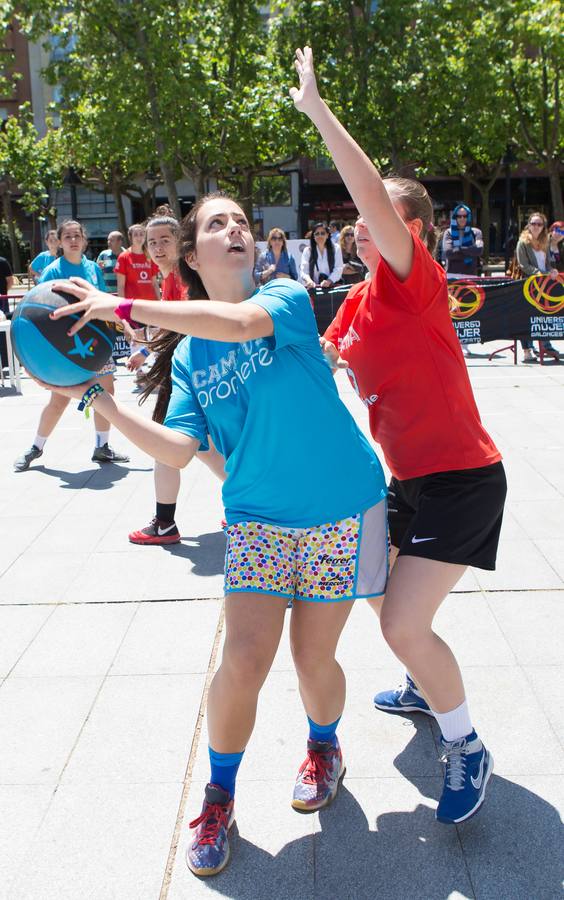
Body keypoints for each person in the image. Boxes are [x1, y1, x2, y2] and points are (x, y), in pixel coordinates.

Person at [44, 190, 388, 877]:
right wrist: (95, 398)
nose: (235, 229)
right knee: (244, 660)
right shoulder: (195, 357)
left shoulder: (285, 295)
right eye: (217, 223)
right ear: (195, 257)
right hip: (259, 518)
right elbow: (177, 448)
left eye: (240, 221)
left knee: (312, 662)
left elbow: (238, 324)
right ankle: (219, 794)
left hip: (340, 509)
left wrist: (122, 307)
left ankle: (325, 746)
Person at [292, 46, 506, 826]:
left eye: (372, 213)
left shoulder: (417, 278)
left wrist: (317, 110)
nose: (357, 223)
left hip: (463, 475)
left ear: (406, 225)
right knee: (380, 587)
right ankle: (425, 682)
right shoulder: (359, 301)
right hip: (407, 478)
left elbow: (369, 196)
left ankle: (469, 746)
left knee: (399, 623)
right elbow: (319, 360)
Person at [129, 210, 226, 545]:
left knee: (167, 445)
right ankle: (249, 504)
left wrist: (145, 352)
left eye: (164, 241)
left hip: (186, 372)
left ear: (180, 243)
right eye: (151, 242)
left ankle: (165, 523)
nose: (157, 247)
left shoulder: (182, 278)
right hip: (188, 369)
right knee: (202, 445)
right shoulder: (171, 277)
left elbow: (180, 326)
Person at [13, 220, 130, 471]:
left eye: (77, 236)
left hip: (95, 341)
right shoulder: (53, 271)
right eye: (68, 236)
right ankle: (36, 447)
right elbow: (38, 308)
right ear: (60, 241)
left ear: (84, 240)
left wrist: (124, 323)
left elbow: (101, 301)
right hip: (64, 345)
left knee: (105, 395)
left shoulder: (92, 269)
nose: (73, 240)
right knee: (59, 401)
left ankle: (102, 447)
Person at [115, 223, 160, 380]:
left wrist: (161, 303)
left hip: (152, 304)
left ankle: (155, 368)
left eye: (142, 234)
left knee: (155, 336)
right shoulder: (124, 257)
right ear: (131, 237)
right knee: (137, 336)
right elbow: (120, 285)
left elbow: (155, 283)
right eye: (136, 235)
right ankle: (138, 370)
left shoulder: (150, 257)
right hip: (134, 305)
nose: (139, 237)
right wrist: (122, 307)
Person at [516, 213, 560, 363]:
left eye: (539, 224)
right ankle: (527, 350)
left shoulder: (545, 242)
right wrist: (540, 273)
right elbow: (523, 265)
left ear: (543, 227)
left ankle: (546, 345)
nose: (536, 227)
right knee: (526, 317)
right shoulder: (523, 242)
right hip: (528, 284)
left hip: (543, 284)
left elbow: (546, 263)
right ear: (528, 225)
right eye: (533, 223)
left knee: (543, 315)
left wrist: (551, 270)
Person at [299, 221, 343, 290]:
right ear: (313, 236)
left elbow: (338, 268)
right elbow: (304, 271)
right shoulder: (308, 250)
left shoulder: (336, 248)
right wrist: (309, 281)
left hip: (332, 288)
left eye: (323, 233)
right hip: (314, 288)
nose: (320, 236)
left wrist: (329, 281)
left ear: (327, 235)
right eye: (317, 234)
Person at [442, 204, 483, 277]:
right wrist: (470, 251)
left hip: (471, 275)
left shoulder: (476, 232)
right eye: (459, 216)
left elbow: (479, 250)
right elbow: (448, 253)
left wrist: (458, 249)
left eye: (465, 216)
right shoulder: (448, 233)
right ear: (455, 217)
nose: (462, 218)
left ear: (469, 217)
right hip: (452, 275)